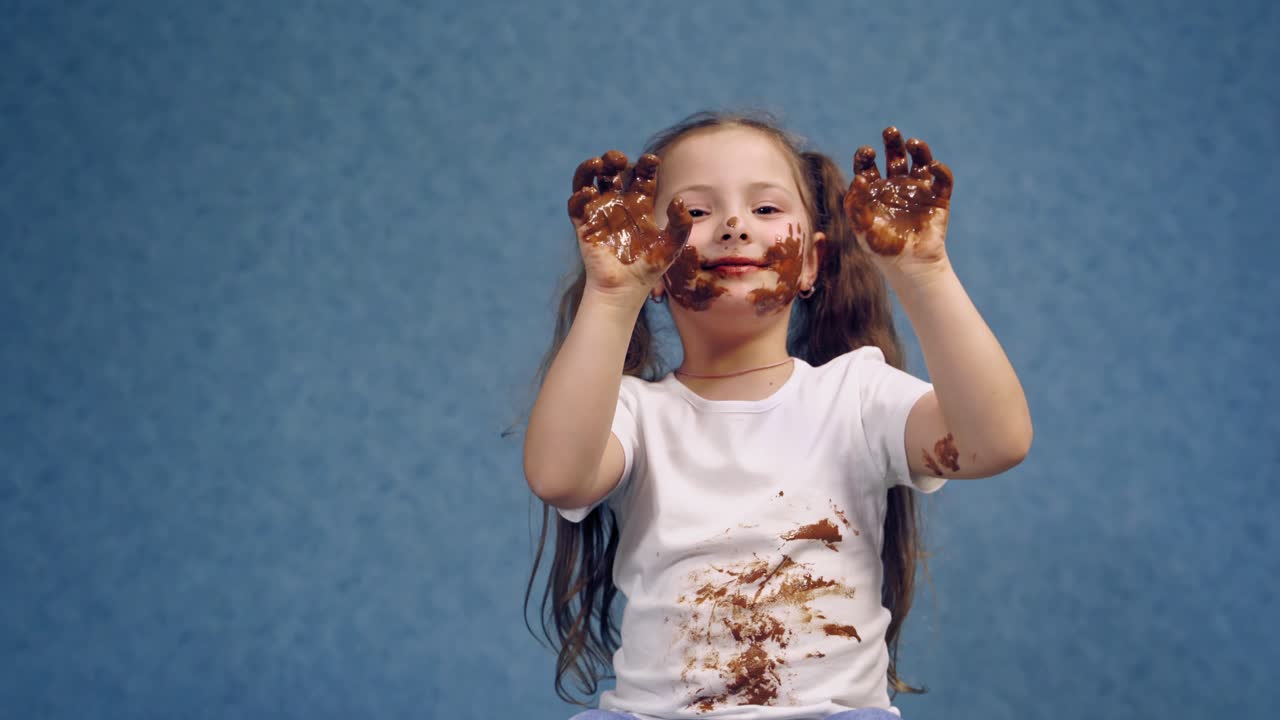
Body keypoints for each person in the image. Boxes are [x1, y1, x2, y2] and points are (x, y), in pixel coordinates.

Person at [522, 110, 1032, 720]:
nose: (735, 225)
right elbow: (558, 475)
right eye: (696, 211)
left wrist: (923, 271)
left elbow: (995, 442)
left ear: (813, 262)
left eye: (766, 210)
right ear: (651, 259)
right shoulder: (633, 413)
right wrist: (612, 293)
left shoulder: (858, 397)